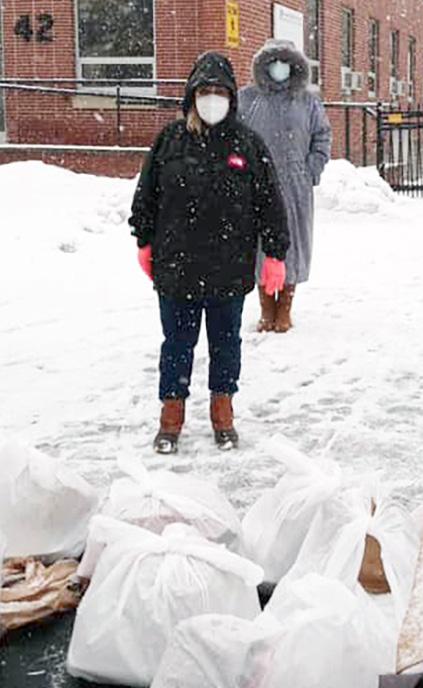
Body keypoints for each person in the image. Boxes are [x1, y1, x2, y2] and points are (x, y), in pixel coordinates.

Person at [129, 52, 290, 455]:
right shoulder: (170, 141)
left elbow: (270, 203)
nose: (212, 98)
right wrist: (144, 240)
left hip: (228, 269)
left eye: (220, 91)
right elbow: (146, 195)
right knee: (176, 344)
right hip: (177, 268)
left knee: (225, 344)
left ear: (231, 97)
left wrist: (275, 253)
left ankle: (223, 413)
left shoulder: (247, 144)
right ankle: (171, 416)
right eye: (205, 91)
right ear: (192, 96)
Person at [238, 39, 332, 333]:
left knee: (293, 245)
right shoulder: (247, 99)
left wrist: (311, 169)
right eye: (273, 62)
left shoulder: (308, 101)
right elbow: (234, 138)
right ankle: (266, 308)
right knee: (260, 245)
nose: (279, 67)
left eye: (284, 62)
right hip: (256, 186)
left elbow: (322, 136)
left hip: (295, 187)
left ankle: (285, 307)